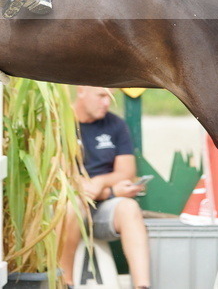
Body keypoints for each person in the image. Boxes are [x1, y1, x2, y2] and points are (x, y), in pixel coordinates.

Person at [59, 86, 150, 289]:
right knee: (73, 207)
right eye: (101, 96)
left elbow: (126, 172)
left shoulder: (116, 125)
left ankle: (142, 286)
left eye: (110, 97)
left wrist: (100, 185)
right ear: (81, 91)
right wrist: (110, 189)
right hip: (68, 205)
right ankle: (65, 283)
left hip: (103, 205)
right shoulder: (60, 123)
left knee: (129, 209)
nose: (107, 102)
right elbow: (58, 177)